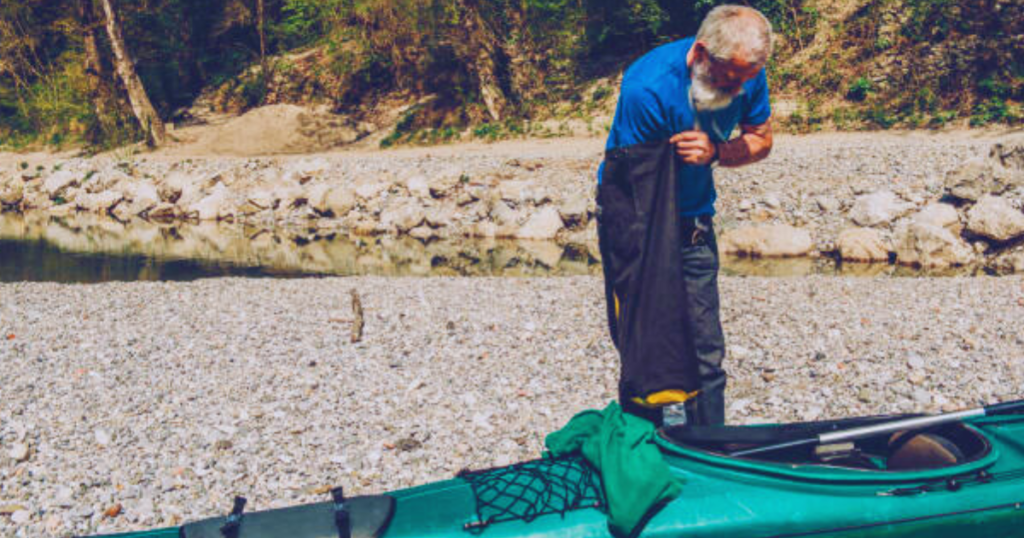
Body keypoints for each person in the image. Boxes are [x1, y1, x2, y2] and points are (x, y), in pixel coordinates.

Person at [597, 5, 774, 427]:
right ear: (699, 53)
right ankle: (642, 442)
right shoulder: (648, 87)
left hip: (693, 219)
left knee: (704, 349)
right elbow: (639, 186)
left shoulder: (747, 69)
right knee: (643, 342)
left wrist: (717, 152)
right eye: (727, 76)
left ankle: (712, 447)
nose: (737, 86)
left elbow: (761, 140)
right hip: (634, 215)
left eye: (744, 78)